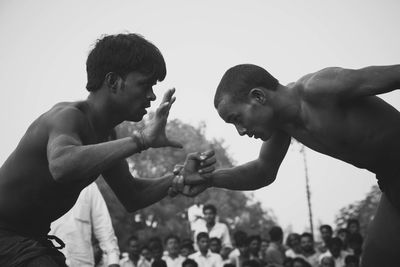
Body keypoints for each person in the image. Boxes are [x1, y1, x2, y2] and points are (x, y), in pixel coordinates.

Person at [0, 33, 216, 266]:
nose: (152, 95)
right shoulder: (67, 117)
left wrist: (177, 177)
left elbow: (133, 195)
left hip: (30, 238)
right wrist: (141, 139)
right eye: (145, 84)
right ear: (113, 81)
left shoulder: (107, 135)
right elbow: (61, 165)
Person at [177, 63, 400, 266]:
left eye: (237, 118)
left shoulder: (319, 88)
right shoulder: (283, 127)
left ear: (258, 97)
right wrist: (210, 178)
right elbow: (263, 171)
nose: (241, 131)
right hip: (390, 183)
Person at [49, 182, 120, 267]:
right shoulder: (43, 182)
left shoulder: (89, 185)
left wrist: (112, 259)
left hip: (82, 262)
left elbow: (103, 225)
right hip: (50, 261)